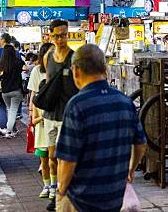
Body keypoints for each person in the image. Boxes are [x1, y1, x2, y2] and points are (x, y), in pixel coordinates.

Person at [55, 44, 146, 211]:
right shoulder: (124, 102)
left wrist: (61, 191)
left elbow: (68, 160)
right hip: (114, 197)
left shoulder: (77, 105)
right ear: (104, 69)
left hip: (81, 200)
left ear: (76, 71)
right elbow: (140, 144)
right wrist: (131, 170)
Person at [43, 20, 79, 211]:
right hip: (50, 115)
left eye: (63, 35)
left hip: (68, 117)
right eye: (56, 35)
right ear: (50, 36)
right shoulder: (48, 56)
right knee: (51, 157)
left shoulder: (75, 58)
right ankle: (57, 190)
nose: (60, 39)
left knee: (66, 157)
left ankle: (65, 191)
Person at [28, 43, 53, 199]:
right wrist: (32, 115)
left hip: (56, 117)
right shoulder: (37, 71)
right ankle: (47, 184)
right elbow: (33, 95)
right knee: (44, 156)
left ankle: (55, 185)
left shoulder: (62, 70)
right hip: (41, 119)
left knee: (54, 157)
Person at [0, 45, 25, 137]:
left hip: (5, 91)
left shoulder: (1, 64)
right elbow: (26, 68)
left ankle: (11, 130)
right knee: (13, 110)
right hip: (16, 90)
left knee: (9, 109)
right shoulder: (18, 62)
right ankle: (9, 131)